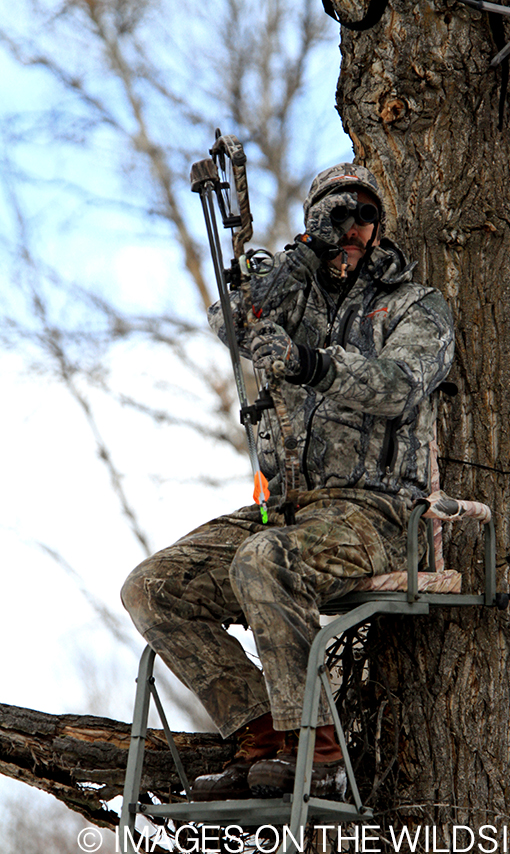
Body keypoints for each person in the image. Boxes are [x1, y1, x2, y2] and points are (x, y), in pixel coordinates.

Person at [121, 162, 454, 802]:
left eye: (364, 216)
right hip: (289, 511)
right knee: (152, 588)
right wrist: (299, 262)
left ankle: (319, 752)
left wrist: (309, 363)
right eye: (337, 216)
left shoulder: (416, 306)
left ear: (380, 229)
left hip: (378, 513)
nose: (352, 229)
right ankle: (261, 737)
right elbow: (230, 320)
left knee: (263, 561)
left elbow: (399, 386)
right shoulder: (293, 292)